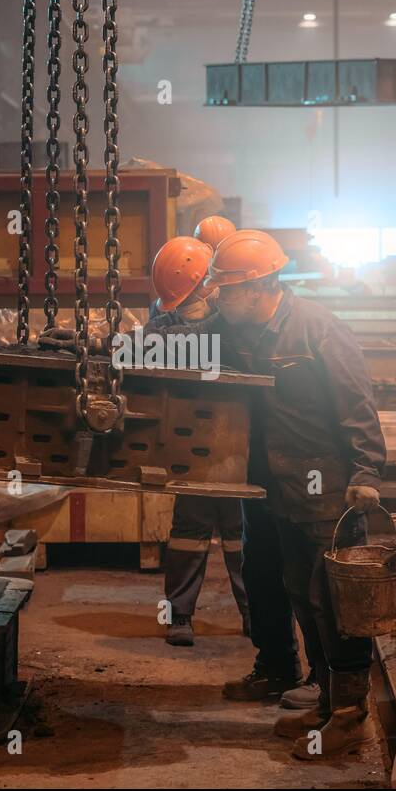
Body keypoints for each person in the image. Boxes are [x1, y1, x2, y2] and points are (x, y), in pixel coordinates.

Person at [184, 229, 389, 760]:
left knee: (337, 602)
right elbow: (186, 337)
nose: (220, 300)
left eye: (226, 291)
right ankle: (325, 702)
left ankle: (350, 716)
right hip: (280, 489)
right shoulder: (242, 331)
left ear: (257, 286)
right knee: (302, 593)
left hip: (329, 491)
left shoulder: (317, 329)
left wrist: (367, 469)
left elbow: (356, 402)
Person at [146, 235, 249, 647]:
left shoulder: (233, 318)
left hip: (236, 444)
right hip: (193, 440)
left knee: (242, 535)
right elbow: (157, 342)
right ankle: (179, 617)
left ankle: (255, 612)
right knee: (189, 531)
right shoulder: (168, 318)